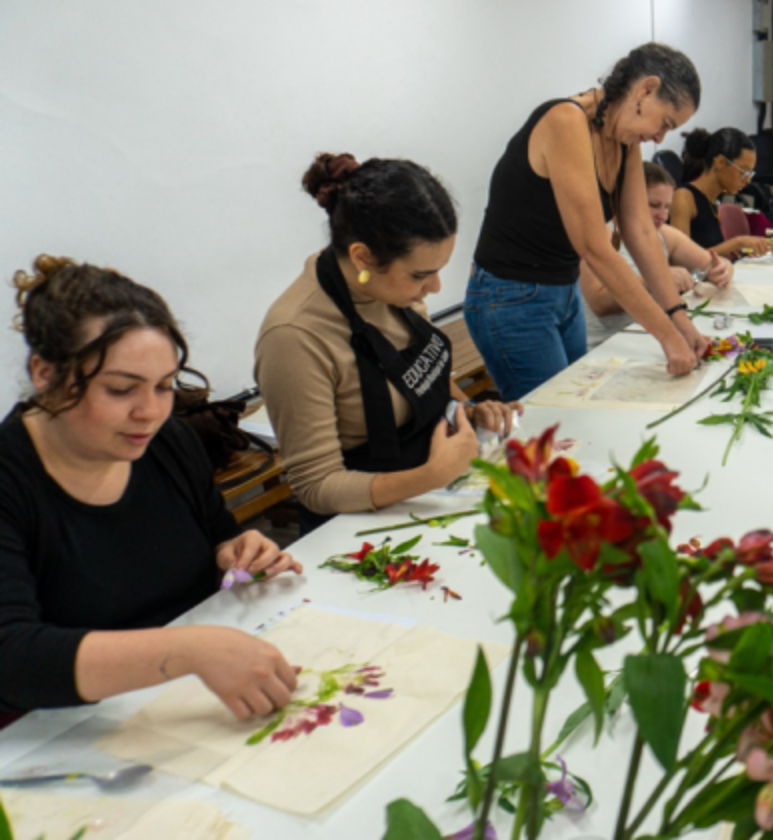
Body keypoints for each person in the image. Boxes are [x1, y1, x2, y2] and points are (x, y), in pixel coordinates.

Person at [0, 256, 304, 723]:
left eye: (164, 386)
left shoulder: (168, 441)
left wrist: (237, 550)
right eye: (122, 389)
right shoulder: (12, 480)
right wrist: (190, 650)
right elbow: (13, 658)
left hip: (185, 701)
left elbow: (216, 533)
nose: (150, 411)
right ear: (45, 374)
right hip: (67, 732)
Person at [255, 153, 520, 531]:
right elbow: (316, 486)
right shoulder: (294, 338)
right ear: (362, 257)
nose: (435, 288)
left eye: (439, 271)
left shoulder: (391, 289)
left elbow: (417, 376)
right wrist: (432, 475)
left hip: (435, 491)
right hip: (360, 525)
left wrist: (469, 411)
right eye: (420, 275)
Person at [465, 43, 709, 400]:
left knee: (581, 411)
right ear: (645, 90)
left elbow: (640, 232)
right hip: (511, 298)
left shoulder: (624, 140)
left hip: (563, 293)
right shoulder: (565, 122)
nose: (660, 138)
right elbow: (594, 247)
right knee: (553, 424)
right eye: (665, 123)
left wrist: (680, 318)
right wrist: (667, 336)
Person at [583, 162, 734, 350]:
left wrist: (722, 270)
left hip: (648, 339)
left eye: (667, 207)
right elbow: (600, 304)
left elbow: (712, 263)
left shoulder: (663, 233)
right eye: (654, 205)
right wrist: (656, 279)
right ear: (627, 198)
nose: (662, 215)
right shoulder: (599, 233)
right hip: (607, 347)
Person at [671, 128, 773, 259]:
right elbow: (680, 258)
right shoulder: (684, 197)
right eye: (743, 172)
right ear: (720, 162)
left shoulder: (713, 200)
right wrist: (736, 243)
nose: (748, 180)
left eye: (750, 173)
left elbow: (706, 249)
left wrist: (739, 248)